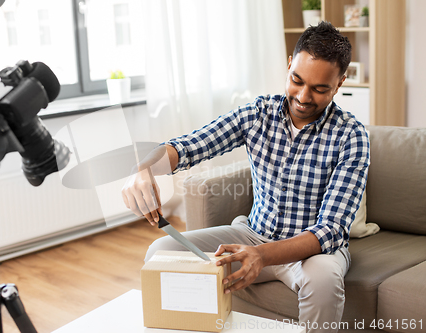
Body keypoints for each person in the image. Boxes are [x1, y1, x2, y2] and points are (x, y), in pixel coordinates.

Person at [122, 21, 370, 333]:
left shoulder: (351, 135)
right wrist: (143, 169)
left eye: (320, 89)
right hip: (253, 234)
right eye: (297, 80)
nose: (304, 97)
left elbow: (331, 230)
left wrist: (261, 256)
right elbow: (189, 146)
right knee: (161, 253)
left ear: (339, 83)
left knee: (322, 281)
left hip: (311, 251)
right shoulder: (258, 114)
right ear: (289, 65)